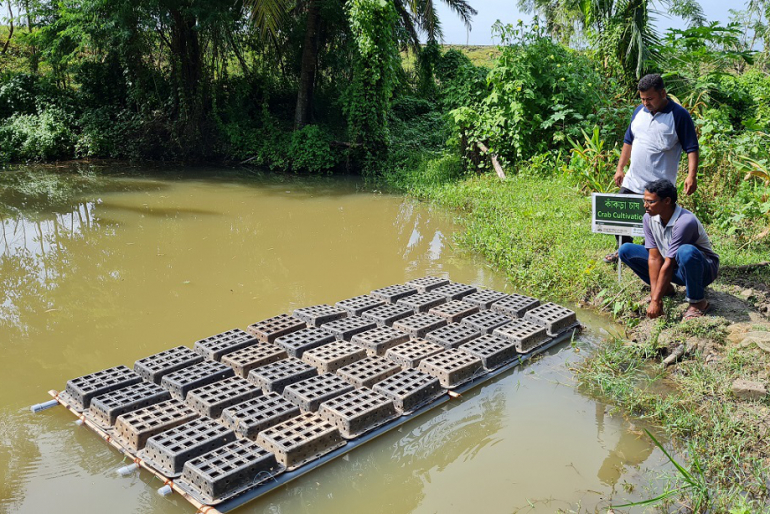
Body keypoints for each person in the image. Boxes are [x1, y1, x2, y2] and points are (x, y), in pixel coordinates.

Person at [604, 73, 700, 264]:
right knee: (618, 218)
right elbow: (628, 141)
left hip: (659, 186)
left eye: (650, 98)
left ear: (663, 93)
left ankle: (658, 256)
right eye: (642, 99)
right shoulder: (639, 112)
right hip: (633, 179)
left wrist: (692, 176)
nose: (646, 103)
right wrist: (620, 168)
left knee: (659, 224)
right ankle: (623, 251)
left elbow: (691, 147)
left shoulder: (679, 115)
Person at [618, 179, 719, 320]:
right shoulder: (648, 218)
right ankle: (665, 289)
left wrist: (655, 301)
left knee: (686, 251)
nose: (645, 206)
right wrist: (656, 297)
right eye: (644, 201)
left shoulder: (685, 221)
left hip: (702, 269)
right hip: (674, 267)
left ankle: (698, 302)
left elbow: (669, 262)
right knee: (626, 250)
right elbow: (654, 257)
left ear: (667, 201)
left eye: (650, 202)